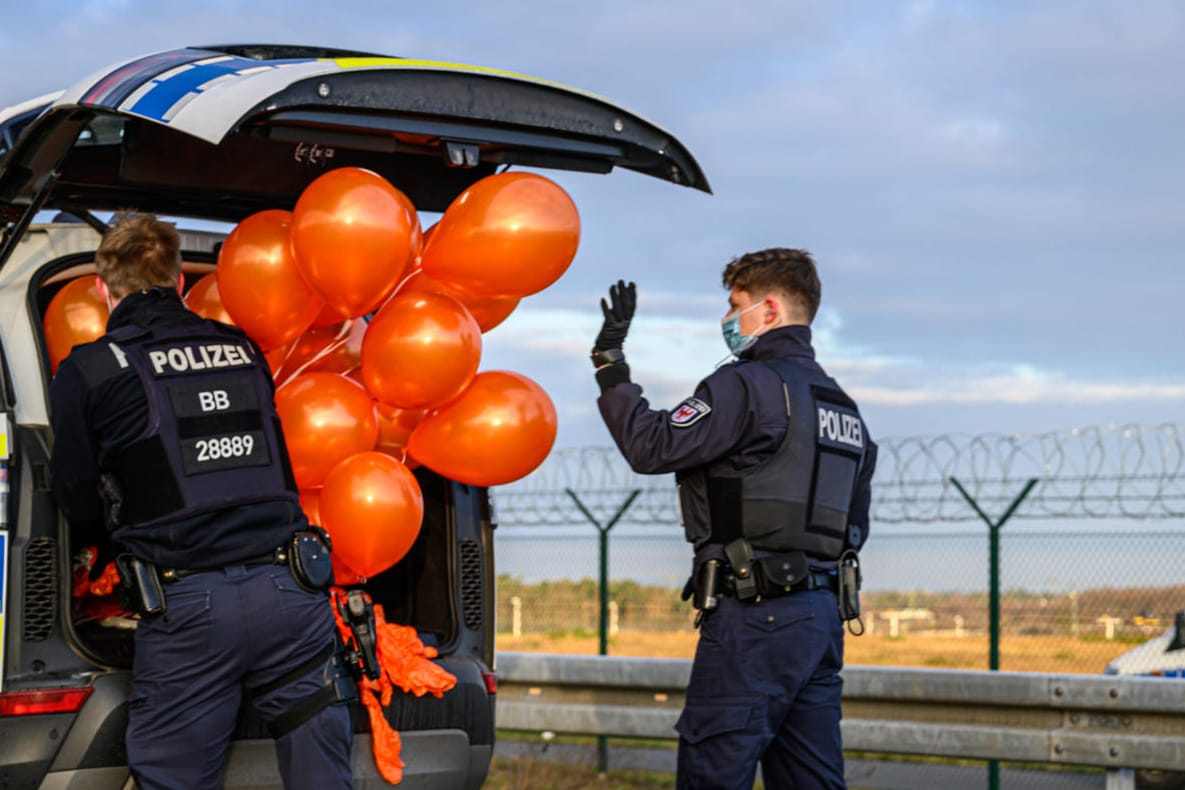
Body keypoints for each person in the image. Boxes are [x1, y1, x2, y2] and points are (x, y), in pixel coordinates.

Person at [49, 214, 353, 790]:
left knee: (176, 779)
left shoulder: (89, 369)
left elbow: (75, 495)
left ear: (100, 287)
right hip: (294, 596)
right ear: (179, 282)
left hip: (190, 608)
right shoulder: (240, 348)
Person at [592, 248, 876, 790]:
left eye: (735, 305)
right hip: (821, 617)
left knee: (713, 770)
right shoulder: (842, 406)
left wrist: (611, 365)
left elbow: (651, 445)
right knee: (812, 778)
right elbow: (854, 525)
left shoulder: (745, 386)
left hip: (756, 614)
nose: (728, 319)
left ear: (768, 309)